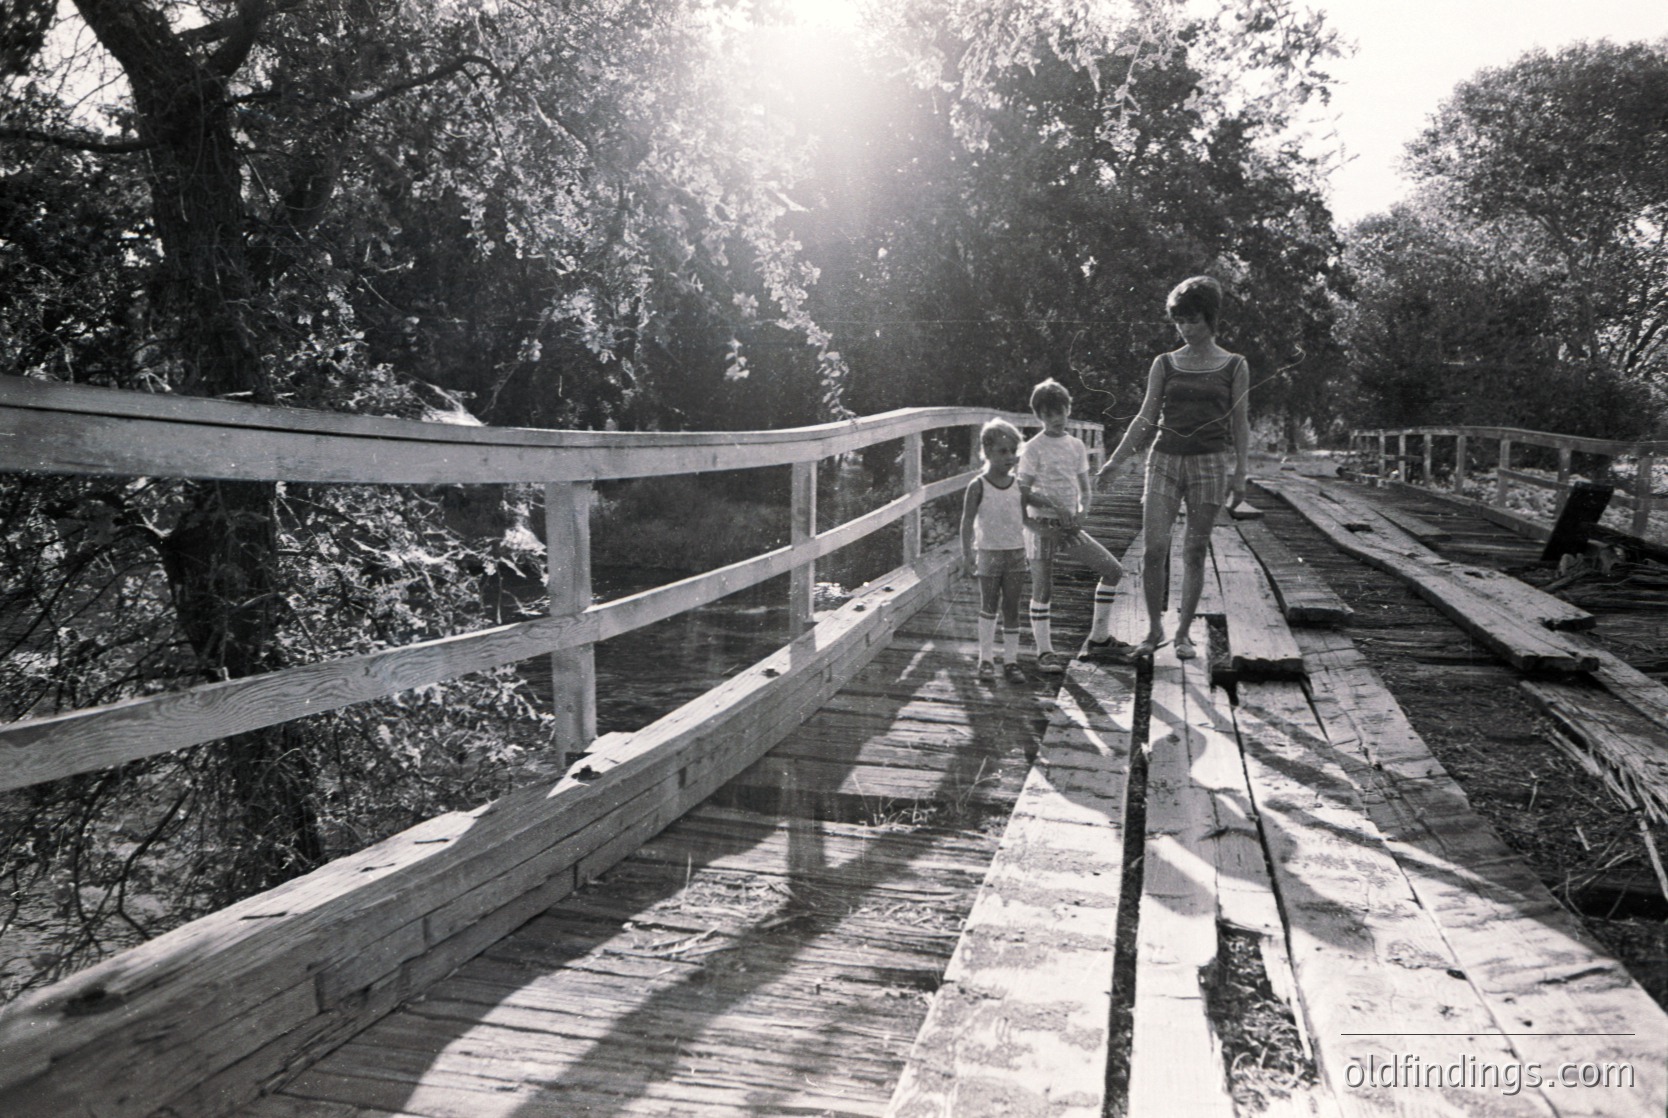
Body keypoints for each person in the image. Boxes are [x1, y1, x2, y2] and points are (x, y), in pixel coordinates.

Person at [1097, 275, 1250, 660]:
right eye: (1178, 320)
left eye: (1193, 320)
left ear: (1211, 319)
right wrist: (1116, 461)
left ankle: (1183, 633)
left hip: (1210, 464)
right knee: (1154, 549)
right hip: (1164, 460)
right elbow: (1146, 417)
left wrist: (1241, 472)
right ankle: (1153, 631)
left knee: (1195, 550)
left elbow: (1240, 422)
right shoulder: (1164, 363)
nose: (1184, 328)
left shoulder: (1234, 365)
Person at [1017, 378, 1130, 674]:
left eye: (1061, 411)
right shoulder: (1032, 448)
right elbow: (1021, 491)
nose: (1056, 419)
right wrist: (1050, 504)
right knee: (1043, 590)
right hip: (1041, 527)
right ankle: (1045, 653)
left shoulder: (1076, 445)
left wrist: (1083, 511)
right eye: (1048, 414)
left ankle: (1099, 639)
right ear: (1039, 416)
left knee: (1112, 570)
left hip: (1069, 526)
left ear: (1068, 410)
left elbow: (1085, 487)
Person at [960, 418, 1030, 683]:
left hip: (1015, 554)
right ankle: (986, 659)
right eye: (1003, 451)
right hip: (988, 553)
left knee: (1012, 608)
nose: (1010, 457)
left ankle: (1011, 662)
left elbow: (1024, 518)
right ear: (987, 452)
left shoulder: (1019, 485)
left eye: (1013, 451)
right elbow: (967, 522)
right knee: (988, 606)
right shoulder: (977, 486)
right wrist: (967, 555)